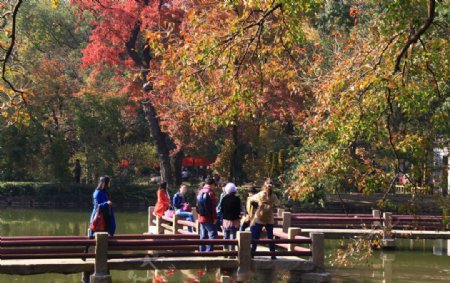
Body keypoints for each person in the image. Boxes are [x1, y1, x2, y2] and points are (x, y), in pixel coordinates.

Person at [249, 179, 280, 259]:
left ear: (264, 186)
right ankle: (273, 254)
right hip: (269, 218)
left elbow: (251, 199)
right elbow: (278, 203)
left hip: (259, 217)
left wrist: (258, 204)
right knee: (270, 237)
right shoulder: (274, 196)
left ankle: (252, 253)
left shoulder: (260, 194)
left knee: (255, 236)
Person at [197, 178, 218, 252]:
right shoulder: (210, 193)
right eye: (214, 185)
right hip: (209, 217)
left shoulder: (200, 191)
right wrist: (215, 218)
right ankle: (209, 251)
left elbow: (197, 206)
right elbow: (213, 207)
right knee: (213, 234)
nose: (214, 187)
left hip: (201, 217)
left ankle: (201, 251)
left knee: (203, 235)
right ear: (212, 184)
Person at [219, 183, 241, 251]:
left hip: (226, 220)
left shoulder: (224, 198)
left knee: (226, 235)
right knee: (233, 235)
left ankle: (225, 250)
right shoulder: (237, 199)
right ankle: (232, 251)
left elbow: (221, 209)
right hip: (234, 220)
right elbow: (239, 210)